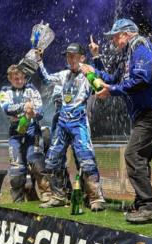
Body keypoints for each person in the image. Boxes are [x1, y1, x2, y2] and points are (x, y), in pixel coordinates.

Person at [80, 18, 152, 223]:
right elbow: (112, 79)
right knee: (141, 157)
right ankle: (142, 202)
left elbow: (141, 80)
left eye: (115, 36)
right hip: (146, 113)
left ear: (127, 34)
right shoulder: (127, 53)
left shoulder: (140, 46)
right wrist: (95, 65)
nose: (112, 40)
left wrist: (110, 91)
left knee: (132, 154)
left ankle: (149, 205)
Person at [38, 43, 105, 211]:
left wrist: (96, 57)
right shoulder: (64, 74)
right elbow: (46, 78)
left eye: (73, 55)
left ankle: (96, 198)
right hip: (62, 122)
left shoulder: (87, 73)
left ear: (82, 57)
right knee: (52, 159)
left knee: (86, 158)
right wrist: (39, 61)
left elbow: (102, 81)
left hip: (79, 122)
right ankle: (58, 196)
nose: (70, 59)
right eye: (68, 56)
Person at [0, 64, 45, 203]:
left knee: (36, 162)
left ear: (25, 77)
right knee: (16, 168)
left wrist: (33, 113)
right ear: (10, 79)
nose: (19, 81)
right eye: (15, 79)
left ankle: (46, 196)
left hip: (32, 130)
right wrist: (24, 107)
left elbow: (41, 112)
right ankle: (18, 203)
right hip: (15, 132)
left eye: (21, 78)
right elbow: (6, 108)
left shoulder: (31, 89)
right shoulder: (4, 91)